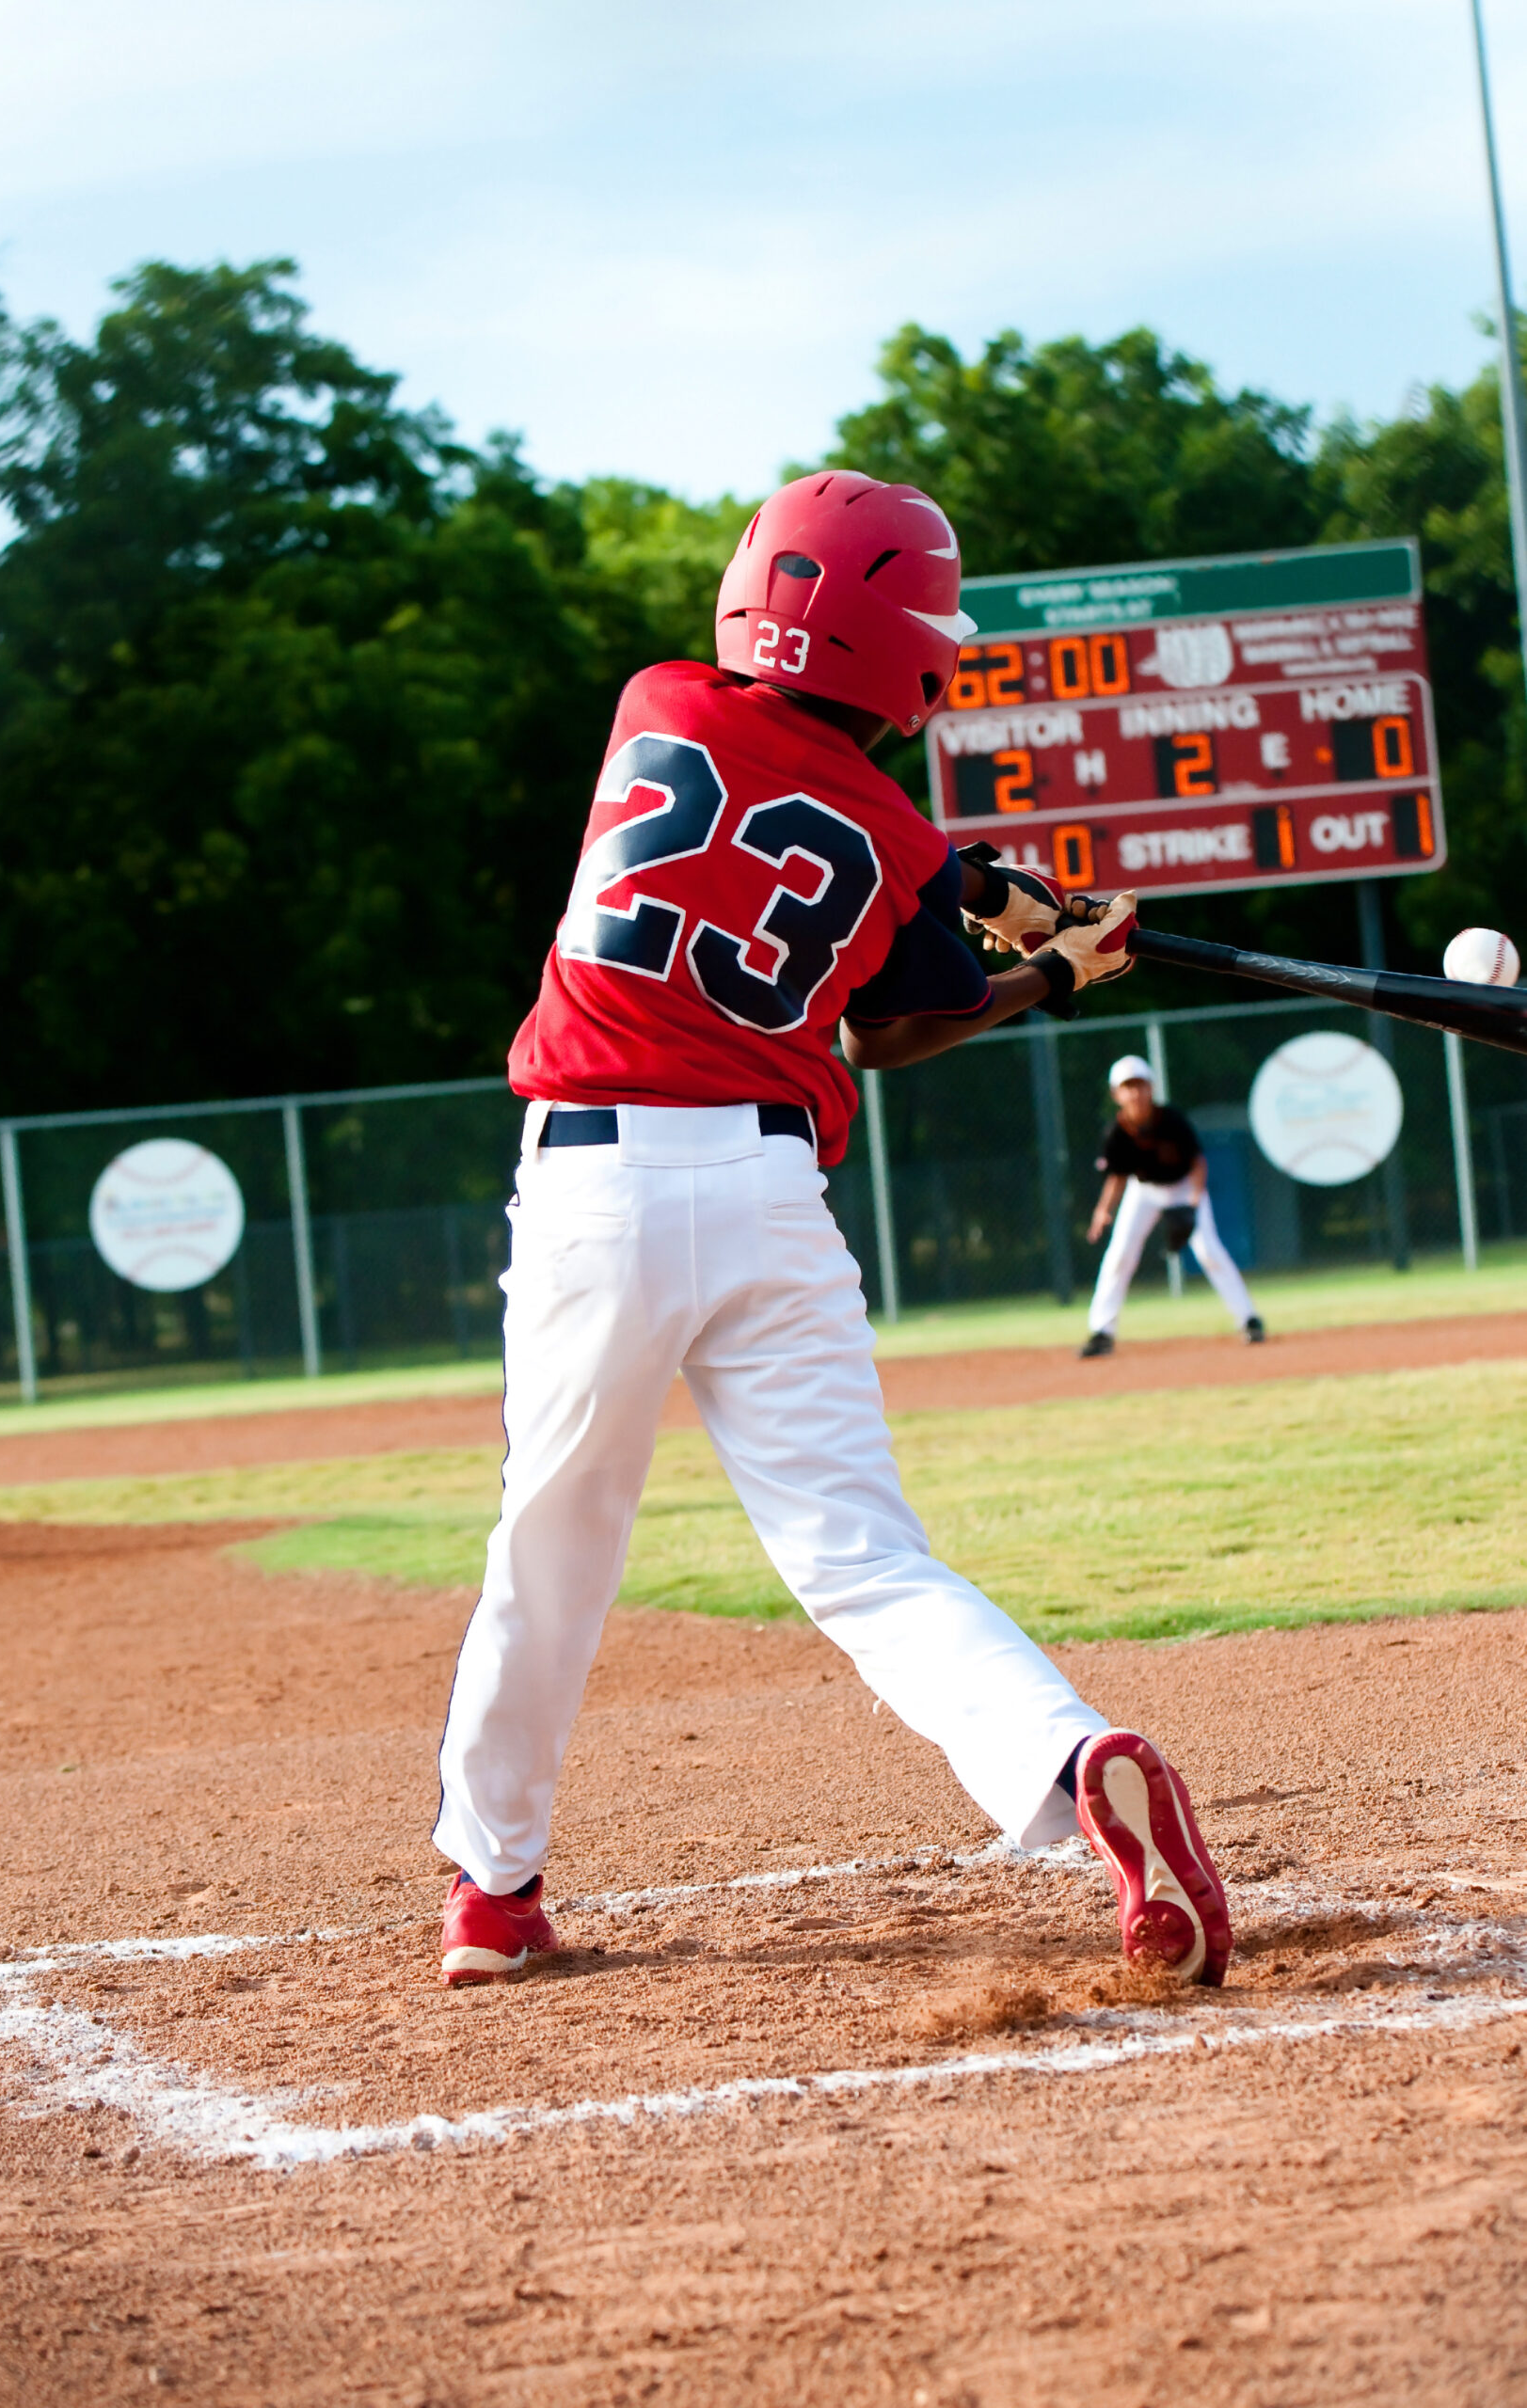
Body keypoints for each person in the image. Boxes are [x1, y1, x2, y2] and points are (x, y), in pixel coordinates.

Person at [432, 471, 1230, 1993]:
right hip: (768, 1199)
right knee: (864, 1558)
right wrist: (1056, 966)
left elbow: (785, 828)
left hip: (594, 1184)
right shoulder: (894, 828)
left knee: (552, 1548)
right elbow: (899, 1023)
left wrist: (971, 888)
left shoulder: (651, 701)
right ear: (915, 663)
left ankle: (493, 1890)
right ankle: (1076, 1760)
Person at [1079, 1054, 1264, 1357]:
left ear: (1151, 1087)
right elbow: (1118, 1178)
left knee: (1209, 1252)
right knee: (1120, 1254)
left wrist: (1192, 1205)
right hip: (1145, 1191)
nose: (1136, 1092)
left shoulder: (1172, 1120)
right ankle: (1102, 1332)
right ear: (1116, 1094)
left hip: (1184, 1188)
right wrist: (1103, 1211)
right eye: (1128, 1086)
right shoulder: (1116, 1133)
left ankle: (1249, 1320)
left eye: (1140, 1084)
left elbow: (1198, 1163)